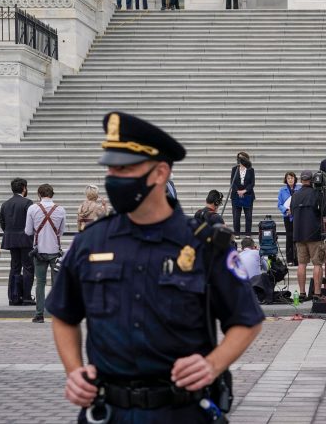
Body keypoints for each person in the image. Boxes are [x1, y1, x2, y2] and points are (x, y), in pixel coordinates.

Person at [45, 111, 263, 422]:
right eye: (111, 169)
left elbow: (247, 319)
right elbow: (64, 314)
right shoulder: (90, 242)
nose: (114, 179)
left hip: (181, 410)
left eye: (125, 169)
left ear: (160, 173)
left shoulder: (205, 244)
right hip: (108, 412)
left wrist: (213, 365)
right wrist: (74, 371)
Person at [25, 183, 66, 324]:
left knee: (40, 283)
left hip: (39, 251)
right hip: (55, 250)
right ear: (52, 194)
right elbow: (61, 232)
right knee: (56, 284)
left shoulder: (32, 208)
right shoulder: (60, 209)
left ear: (39, 194)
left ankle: (39, 314)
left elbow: (28, 231)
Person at [290, 170, 326, 301]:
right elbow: (325, 211)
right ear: (312, 180)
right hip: (314, 234)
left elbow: (291, 212)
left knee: (302, 264)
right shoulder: (317, 193)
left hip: (299, 234)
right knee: (317, 264)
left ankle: (302, 293)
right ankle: (317, 293)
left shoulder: (295, 195)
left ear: (301, 180)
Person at [0, 177, 35, 305]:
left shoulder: (5, 203)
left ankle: (13, 297)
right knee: (28, 267)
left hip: (11, 239)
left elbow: (2, 223)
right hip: (25, 239)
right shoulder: (28, 202)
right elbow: (31, 222)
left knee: (14, 267)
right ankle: (26, 297)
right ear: (24, 188)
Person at [230, 152, 255, 237]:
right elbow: (232, 182)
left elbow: (252, 183)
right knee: (236, 216)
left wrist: (244, 191)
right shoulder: (235, 169)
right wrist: (238, 191)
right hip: (236, 196)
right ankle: (237, 233)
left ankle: (248, 234)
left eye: (242, 158)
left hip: (248, 195)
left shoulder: (251, 169)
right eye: (239, 158)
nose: (240, 159)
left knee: (248, 216)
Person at [277, 172, 299, 265]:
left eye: (292, 178)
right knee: (289, 238)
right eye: (288, 178)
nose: (290, 180)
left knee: (297, 238)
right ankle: (289, 259)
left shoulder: (299, 189)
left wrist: (295, 210)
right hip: (287, 216)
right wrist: (286, 210)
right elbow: (279, 204)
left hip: (297, 217)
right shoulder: (282, 190)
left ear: (295, 179)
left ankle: (297, 259)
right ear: (286, 179)